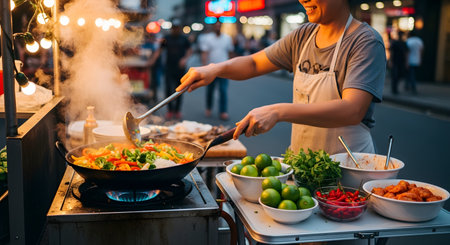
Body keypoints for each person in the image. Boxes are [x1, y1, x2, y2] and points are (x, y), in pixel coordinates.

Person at [177, 0, 386, 156]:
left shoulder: (365, 41)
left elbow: (353, 110)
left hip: (350, 168)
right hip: (303, 163)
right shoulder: (303, 35)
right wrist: (214, 69)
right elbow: (254, 63)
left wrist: (278, 111)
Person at [151, 19, 192, 120]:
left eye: (177, 28)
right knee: (168, 89)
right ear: (172, 28)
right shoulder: (166, 38)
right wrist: (152, 61)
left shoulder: (184, 39)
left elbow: (189, 50)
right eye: (174, 28)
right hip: (169, 67)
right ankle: (170, 111)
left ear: (180, 28)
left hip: (180, 69)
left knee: (180, 90)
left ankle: (177, 111)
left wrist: (185, 59)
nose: (175, 29)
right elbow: (159, 50)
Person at [199, 22, 234, 121]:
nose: (218, 27)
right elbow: (204, 53)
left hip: (224, 69)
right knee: (210, 90)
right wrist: (204, 67)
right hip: (211, 69)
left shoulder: (227, 38)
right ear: (214, 27)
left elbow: (230, 52)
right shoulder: (208, 38)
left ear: (221, 27)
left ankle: (223, 112)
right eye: (216, 26)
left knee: (223, 91)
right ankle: (209, 108)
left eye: (219, 26)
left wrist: (232, 67)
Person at [389, 31, 408, 95]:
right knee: (395, 75)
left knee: (399, 75)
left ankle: (395, 88)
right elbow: (391, 52)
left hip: (400, 61)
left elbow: (406, 53)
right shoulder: (395, 43)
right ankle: (394, 88)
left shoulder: (404, 43)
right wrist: (390, 61)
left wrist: (406, 62)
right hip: (395, 61)